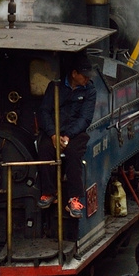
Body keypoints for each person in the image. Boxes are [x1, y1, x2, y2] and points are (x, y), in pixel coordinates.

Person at [38, 60, 97, 218]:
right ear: (74, 74)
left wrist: (68, 135)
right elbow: (44, 111)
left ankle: (74, 198)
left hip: (75, 133)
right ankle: (48, 192)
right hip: (54, 131)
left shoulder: (90, 90)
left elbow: (85, 118)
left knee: (73, 153)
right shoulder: (55, 87)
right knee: (44, 148)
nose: (87, 79)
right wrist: (52, 134)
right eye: (84, 76)